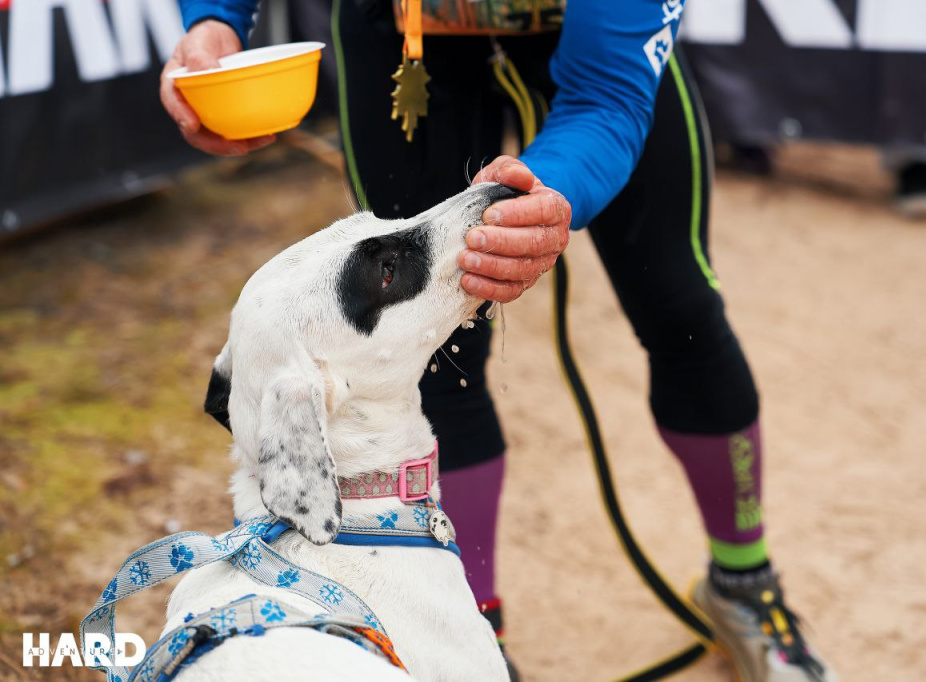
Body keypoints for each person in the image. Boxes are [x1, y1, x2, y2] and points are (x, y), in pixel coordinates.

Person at [161, 2, 836, 680]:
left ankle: (744, 586)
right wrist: (216, 17)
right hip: (404, 35)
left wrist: (545, 197)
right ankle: (471, 625)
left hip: (591, 39)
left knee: (681, 311)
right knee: (436, 364)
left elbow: (606, 96)